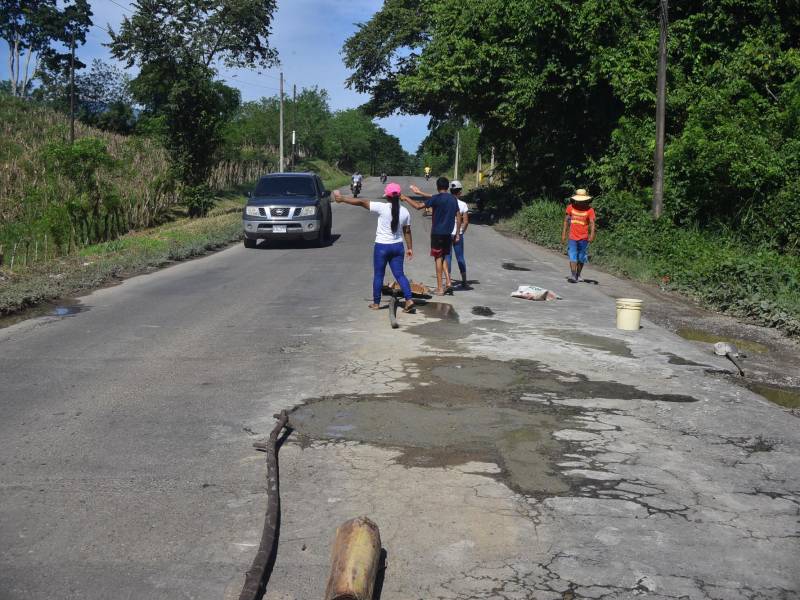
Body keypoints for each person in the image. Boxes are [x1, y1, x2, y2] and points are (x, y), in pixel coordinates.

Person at [334, 183, 415, 312]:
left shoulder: (381, 207)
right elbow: (407, 231)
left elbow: (361, 202)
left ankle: (376, 303)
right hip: (398, 247)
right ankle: (409, 300)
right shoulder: (405, 212)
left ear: (387, 197)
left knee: (379, 275)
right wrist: (410, 248)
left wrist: (342, 199)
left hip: (382, 247)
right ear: (399, 196)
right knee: (400, 275)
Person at [404, 177, 461, 295]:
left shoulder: (436, 199)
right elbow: (458, 216)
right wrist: (457, 233)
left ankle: (440, 288)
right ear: (447, 187)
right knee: (444, 256)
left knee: (438, 258)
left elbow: (418, 206)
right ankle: (449, 282)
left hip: (437, 233)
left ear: (437, 187)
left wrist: (406, 198)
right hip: (449, 233)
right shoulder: (453, 199)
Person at [561, 188, 596, 283]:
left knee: (581, 257)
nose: (581, 202)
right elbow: (566, 221)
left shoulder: (590, 210)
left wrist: (592, 235)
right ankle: (573, 275)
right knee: (572, 255)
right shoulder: (570, 207)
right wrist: (563, 234)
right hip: (572, 237)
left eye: (583, 201)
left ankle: (578, 274)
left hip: (584, 237)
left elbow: (592, 223)